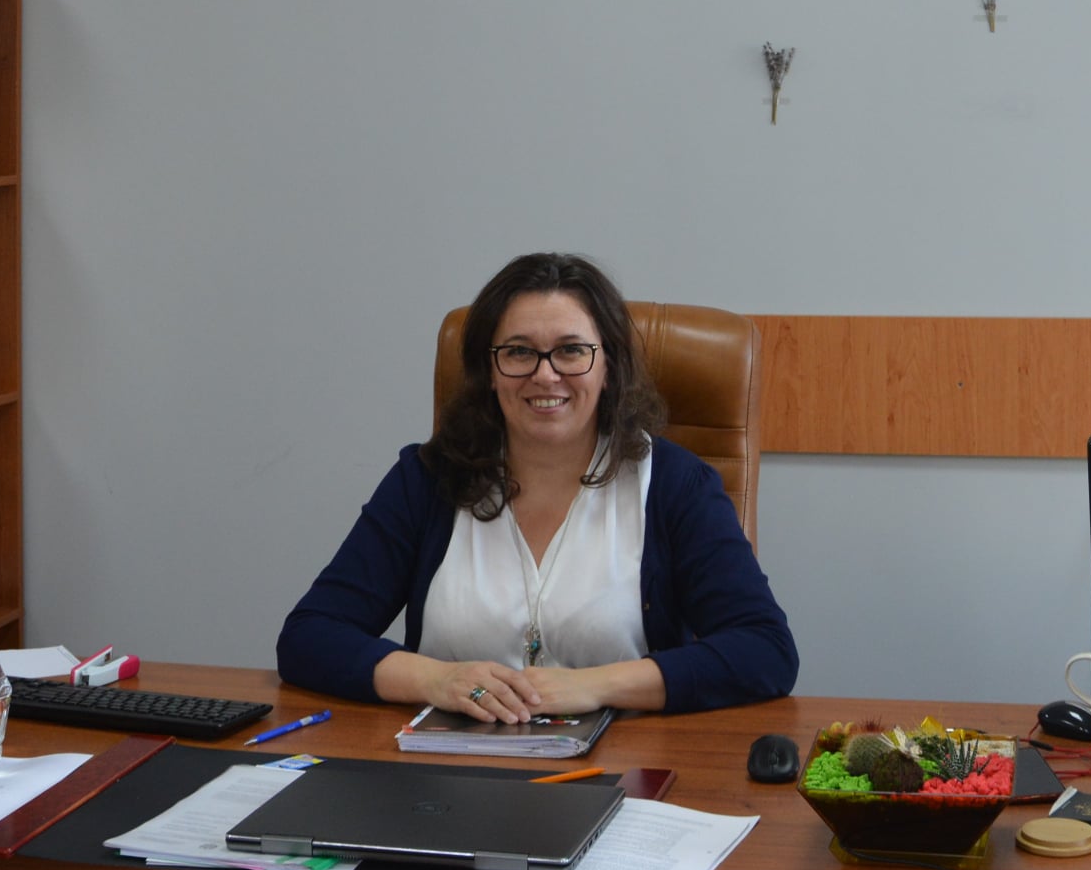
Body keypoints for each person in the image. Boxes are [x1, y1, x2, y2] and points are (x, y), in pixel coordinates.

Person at [277, 252, 798, 720]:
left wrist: (595, 685)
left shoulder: (674, 484)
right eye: (519, 352)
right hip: (443, 772)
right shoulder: (428, 479)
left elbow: (765, 649)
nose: (545, 375)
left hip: (623, 770)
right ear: (490, 369)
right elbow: (309, 636)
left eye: (571, 351)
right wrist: (436, 679)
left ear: (609, 365)